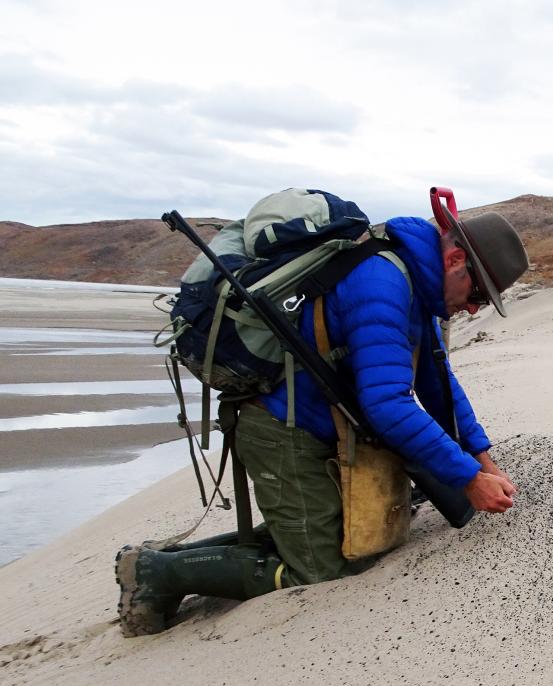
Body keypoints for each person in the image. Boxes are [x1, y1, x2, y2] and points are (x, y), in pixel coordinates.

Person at [115, 207, 529, 636]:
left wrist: (482, 459)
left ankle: (176, 562)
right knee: (317, 571)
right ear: (454, 261)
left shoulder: (416, 288)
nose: (473, 309)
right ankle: (155, 573)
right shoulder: (383, 282)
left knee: (330, 529)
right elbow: (388, 404)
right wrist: (467, 478)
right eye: (477, 295)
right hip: (280, 425)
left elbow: (438, 383)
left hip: (320, 421)